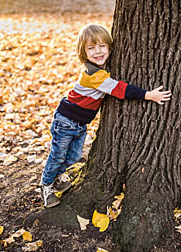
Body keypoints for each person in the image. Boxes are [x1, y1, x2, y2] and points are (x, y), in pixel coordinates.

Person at [40, 24, 172, 208]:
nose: (98, 51)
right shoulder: (93, 75)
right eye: (91, 48)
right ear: (83, 52)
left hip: (79, 123)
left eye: (102, 46)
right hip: (65, 121)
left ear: (110, 47)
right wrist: (148, 95)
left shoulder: (102, 70)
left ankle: (58, 175)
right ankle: (46, 186)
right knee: (58, 155)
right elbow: (120, 89)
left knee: (74, 156)